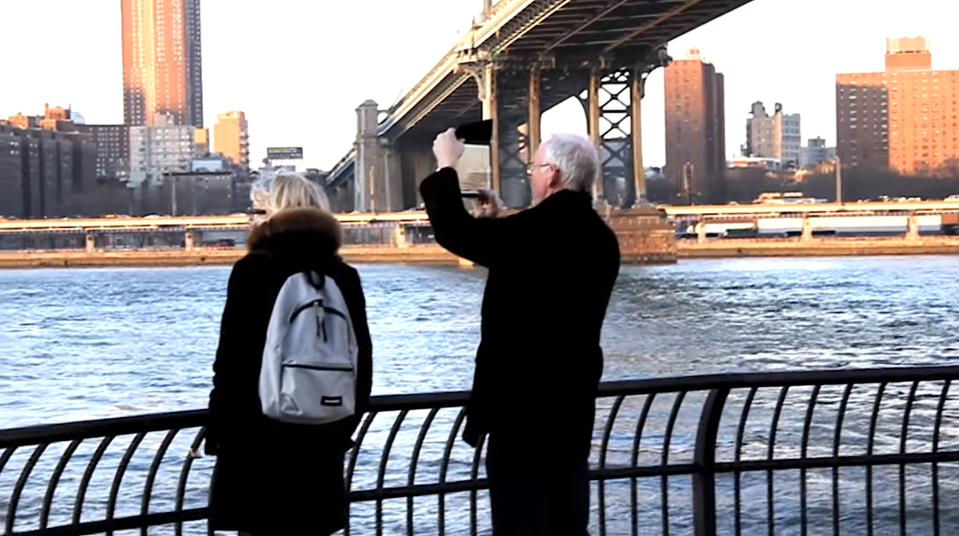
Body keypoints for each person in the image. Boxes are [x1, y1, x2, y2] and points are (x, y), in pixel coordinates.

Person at [419, 130, 621, 534]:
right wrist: (499, 223)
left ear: (553, 174)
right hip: (572, 406)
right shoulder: (602, 239)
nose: (530, 174)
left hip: (521, 409)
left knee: (520, 521)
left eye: (534, 167)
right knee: (565, 520)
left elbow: (454, 232)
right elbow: (533, 266)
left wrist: (446, 165)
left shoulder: (533, 232)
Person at [205, 172, 373, 535]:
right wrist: (344, 425)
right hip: (322, 438)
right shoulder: (344, 275)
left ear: (277, 215)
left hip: (259, 443)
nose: (251, 219)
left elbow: (231, 360)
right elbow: (362, 358)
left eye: (258, 210)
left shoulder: (253, 270)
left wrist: (218, 430)